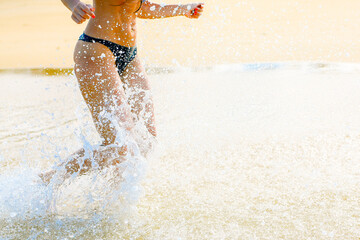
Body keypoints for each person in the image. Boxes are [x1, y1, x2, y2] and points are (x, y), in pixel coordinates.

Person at [39, 0, 204, 184]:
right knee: (120, 147)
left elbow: (140, 6)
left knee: (146, 142)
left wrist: (182, 9)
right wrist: (74, 5)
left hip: (130, 56)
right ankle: (49, 179)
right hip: (96, 49)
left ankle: (110, 204)